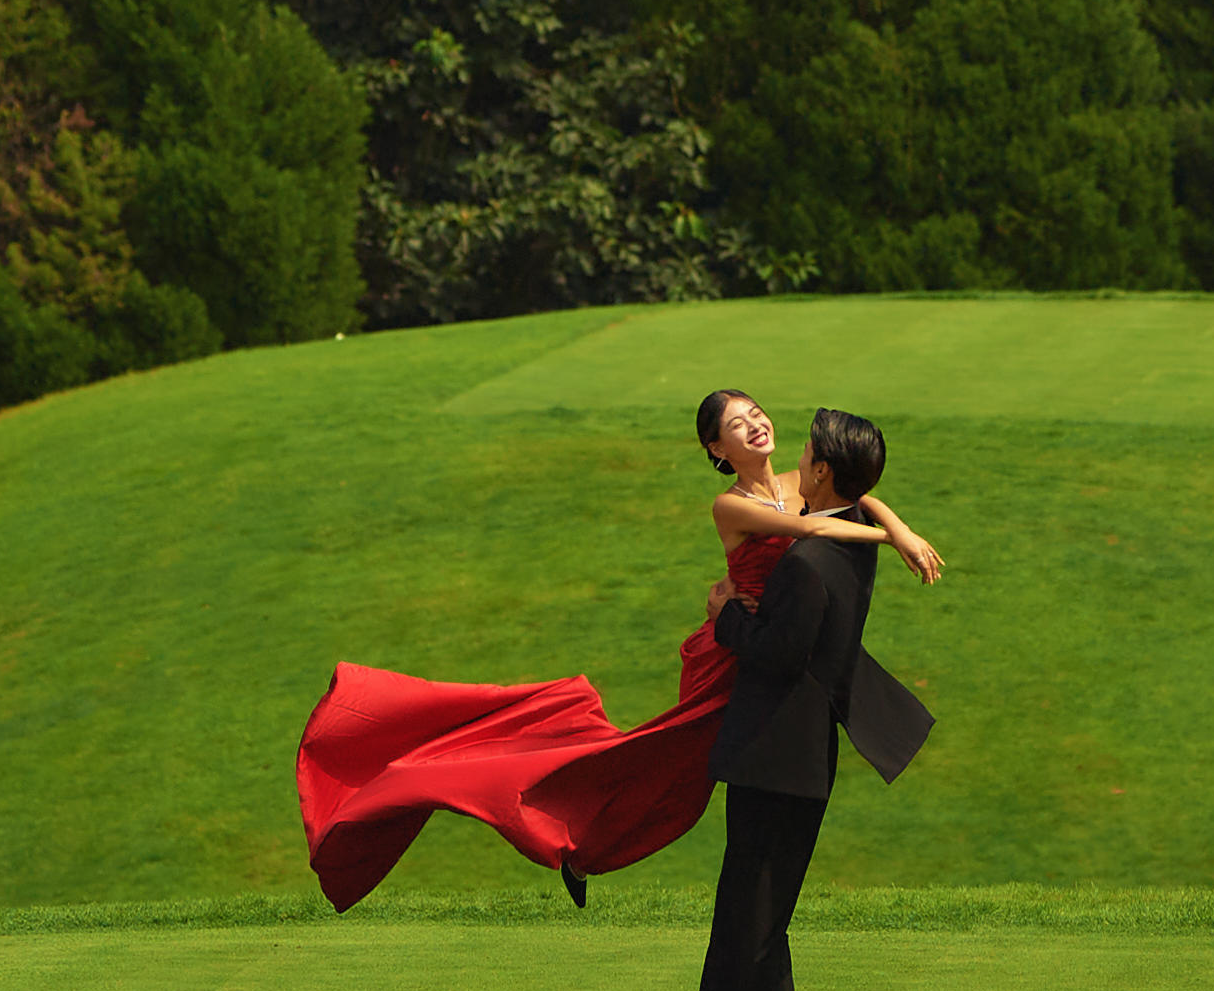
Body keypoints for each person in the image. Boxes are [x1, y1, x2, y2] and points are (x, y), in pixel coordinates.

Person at [290, 389, 932, 915]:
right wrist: (889, 540)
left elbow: (850, 498)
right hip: (730, 656)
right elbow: (812, 525)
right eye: (737, 425)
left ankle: (584, 847)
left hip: (759, 651)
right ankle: (565, 836)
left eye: (757, 413)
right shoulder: (731, 505)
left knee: (672, 774)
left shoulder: (800, 480)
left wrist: (897, 524)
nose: (756, 425)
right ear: (718, 450)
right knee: (663, 766)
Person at [644, 407, 937, 991]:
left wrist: (725, 616)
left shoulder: (807, 564)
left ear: (824, 471)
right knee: (750, 919)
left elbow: (775, 654)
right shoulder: (840, 534)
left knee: (753, 923)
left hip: (775, 755)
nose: (796, 457)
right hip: (791, 756)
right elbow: (856, 506)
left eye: (807, 453)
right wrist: (895, 529)